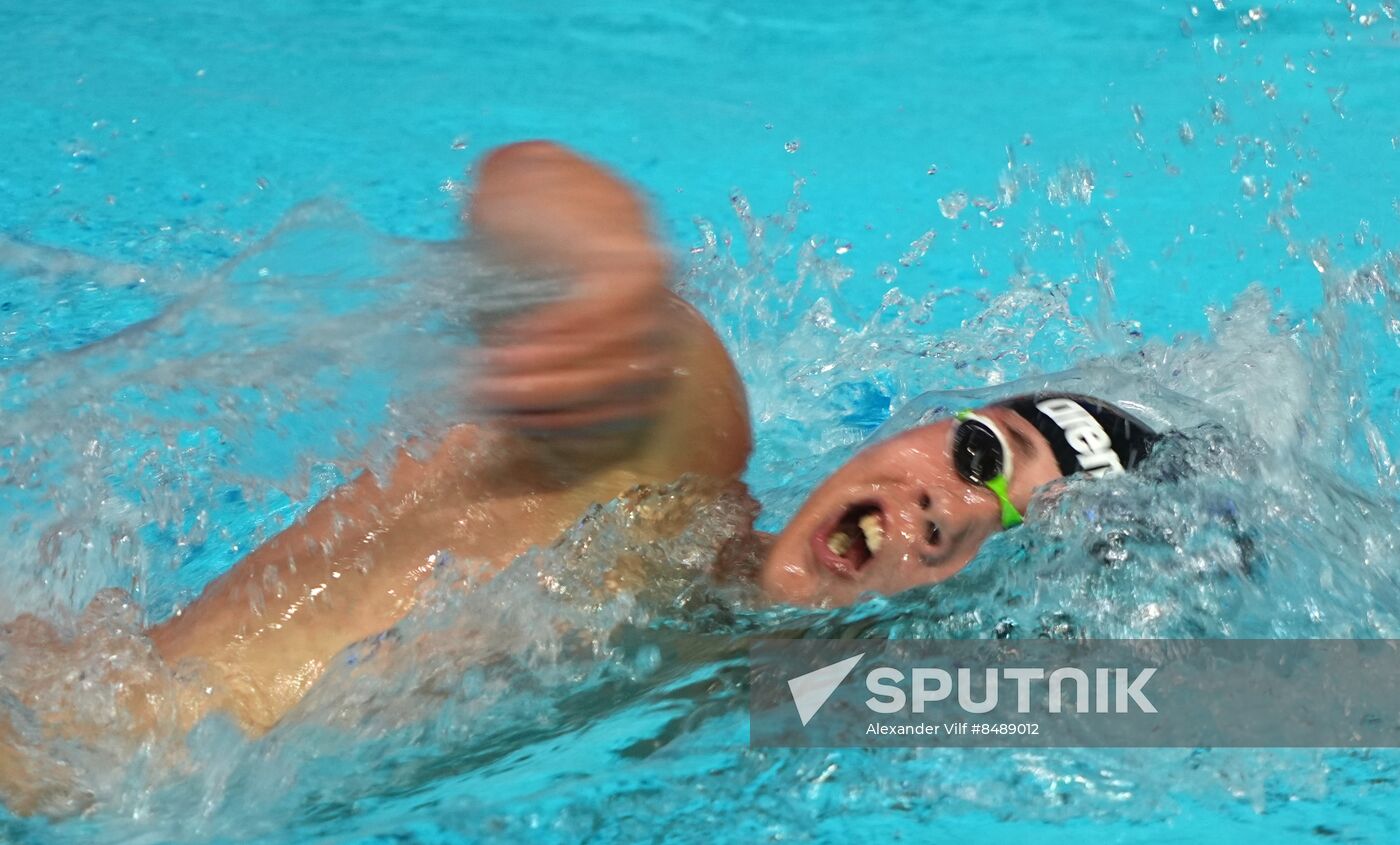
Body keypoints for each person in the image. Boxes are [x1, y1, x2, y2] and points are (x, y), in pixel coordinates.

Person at [2, 142, 1162, 804]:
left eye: (995, 537)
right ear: (909, 430)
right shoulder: (669, 462)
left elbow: (1270, 696)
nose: (943, 512)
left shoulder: (749, 701)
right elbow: (530, 180)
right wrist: (611, 267)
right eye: (975, 456)